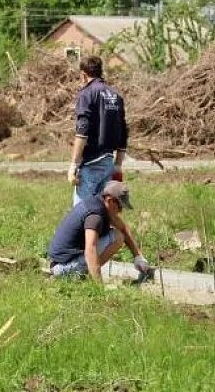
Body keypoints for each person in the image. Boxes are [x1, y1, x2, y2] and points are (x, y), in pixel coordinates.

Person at [47, 181, 150, 281]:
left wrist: (138, 256)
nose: (120, 211)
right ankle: (77, 274)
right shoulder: (95, 216)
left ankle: (83, 273)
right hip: (62, 267)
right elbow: (90, 250)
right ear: (110, 201)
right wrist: (98, 288)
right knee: (117, 238)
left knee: (119, 235)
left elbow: (123, 229)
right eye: (120, 206)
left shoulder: (100, 203)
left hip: (63, 261)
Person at [68, 55, 129, 205]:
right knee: (103, 210)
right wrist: (118, 165)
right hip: (108, 162)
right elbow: (124, 132)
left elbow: (82, 130)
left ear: (83, 74)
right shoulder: (116, 96)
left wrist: (74, 165)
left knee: (82, 212)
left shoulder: (87, 93)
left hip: (91, 163)